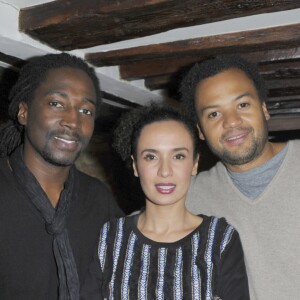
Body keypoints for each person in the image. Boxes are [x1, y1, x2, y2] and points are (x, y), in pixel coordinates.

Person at [80, 104, 249, 300]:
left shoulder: (220, 240)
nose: (165, 170)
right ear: (135, 165)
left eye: (178, 156)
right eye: (151, 157)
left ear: (194, 164)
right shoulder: (111, 238)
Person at [0, 53, 123, 300]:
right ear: (24, 112)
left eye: (86, 110)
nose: (73, 121)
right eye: (56, 103)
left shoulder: (97, 199)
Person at [180, 55, 300, 299]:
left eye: (242, 105)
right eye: (214, 114)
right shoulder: (188, 197)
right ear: (200, 131)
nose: (231, 122)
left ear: (264, 109)